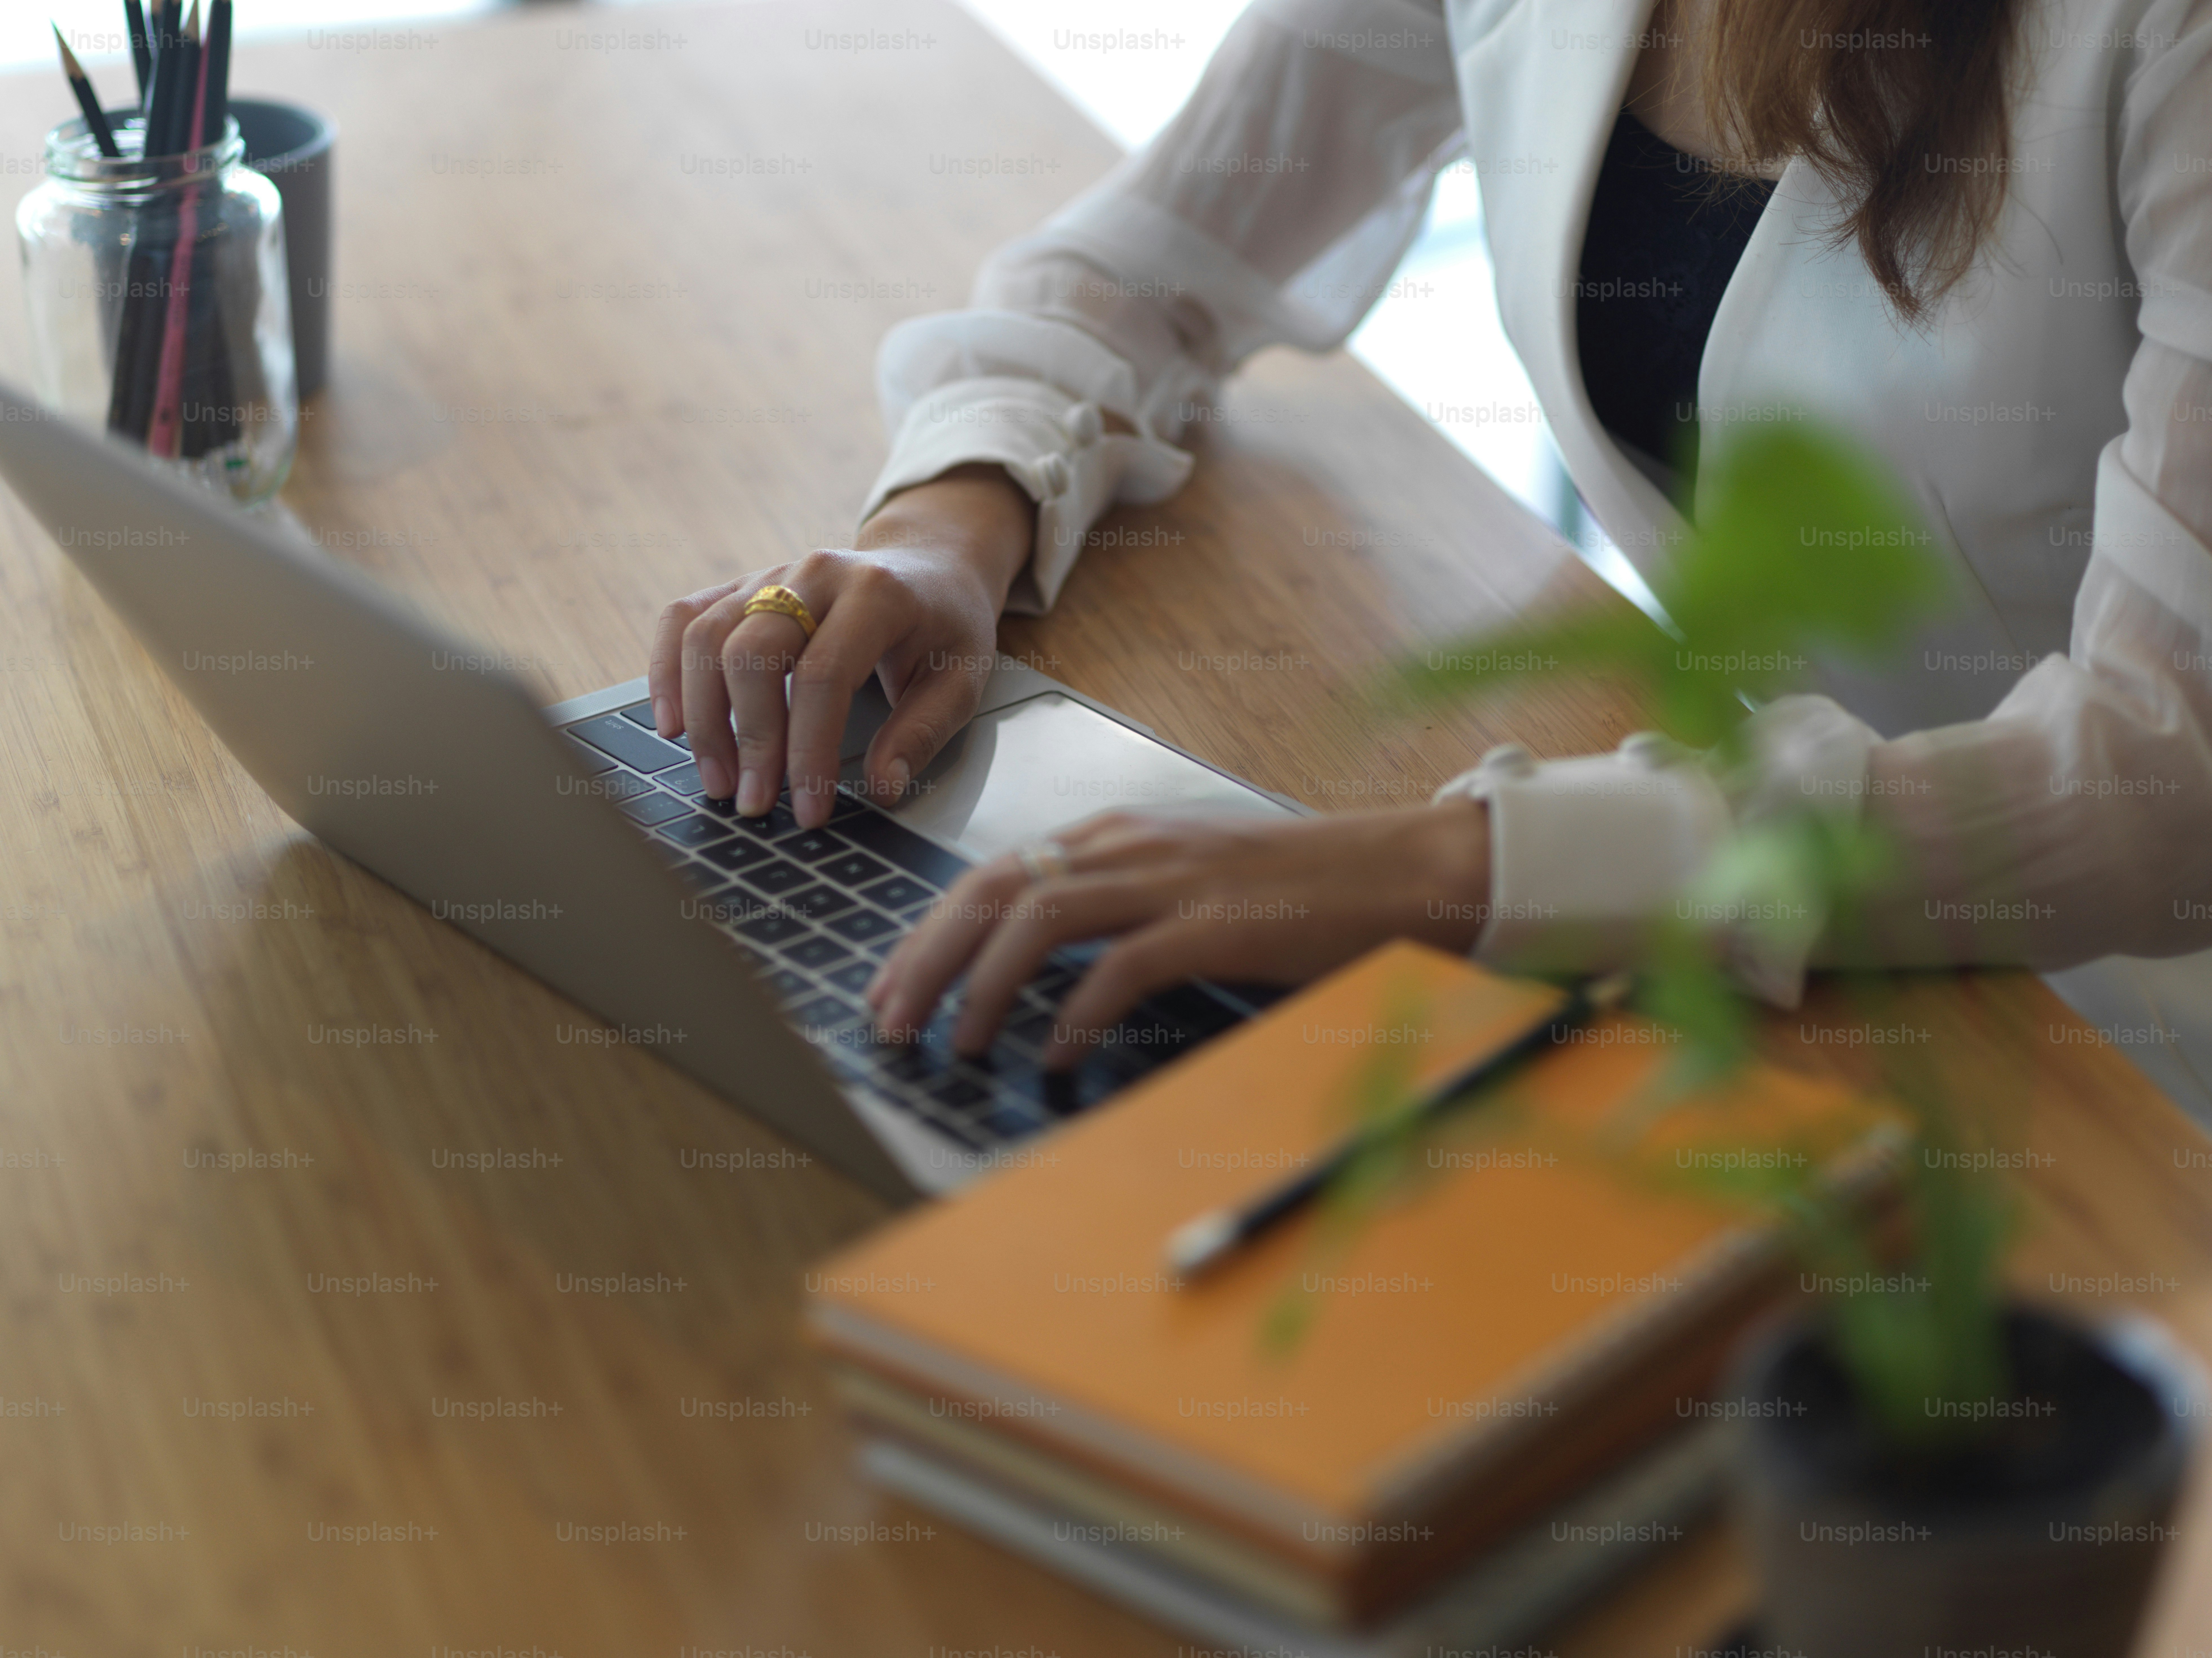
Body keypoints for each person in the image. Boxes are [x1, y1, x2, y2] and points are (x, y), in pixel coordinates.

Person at [646, 0, 2212, 1111]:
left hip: (2138, 1055)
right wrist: (950, 520)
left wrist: (1452, 868)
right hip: (1793, 959)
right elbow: (1144, 263)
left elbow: (2160, 781)